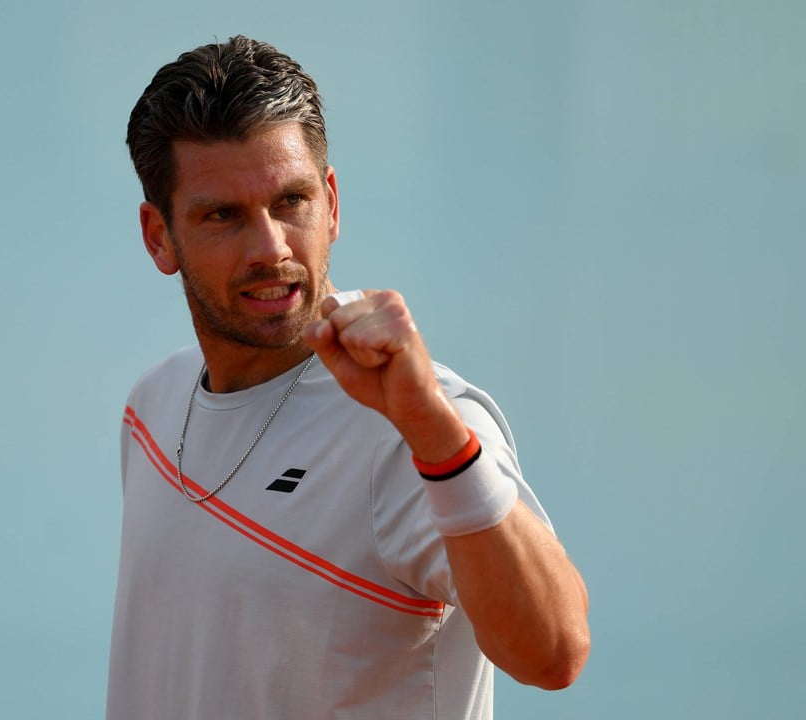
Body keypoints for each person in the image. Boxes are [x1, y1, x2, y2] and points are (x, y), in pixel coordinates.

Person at [107, 36, 590, 719]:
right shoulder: (152, 406)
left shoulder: (419, 426)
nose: (270, 247)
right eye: (223, 215)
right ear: (159, 235)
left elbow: (554, 654)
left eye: (291, 201)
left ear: (330, 204)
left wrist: (432, 431)